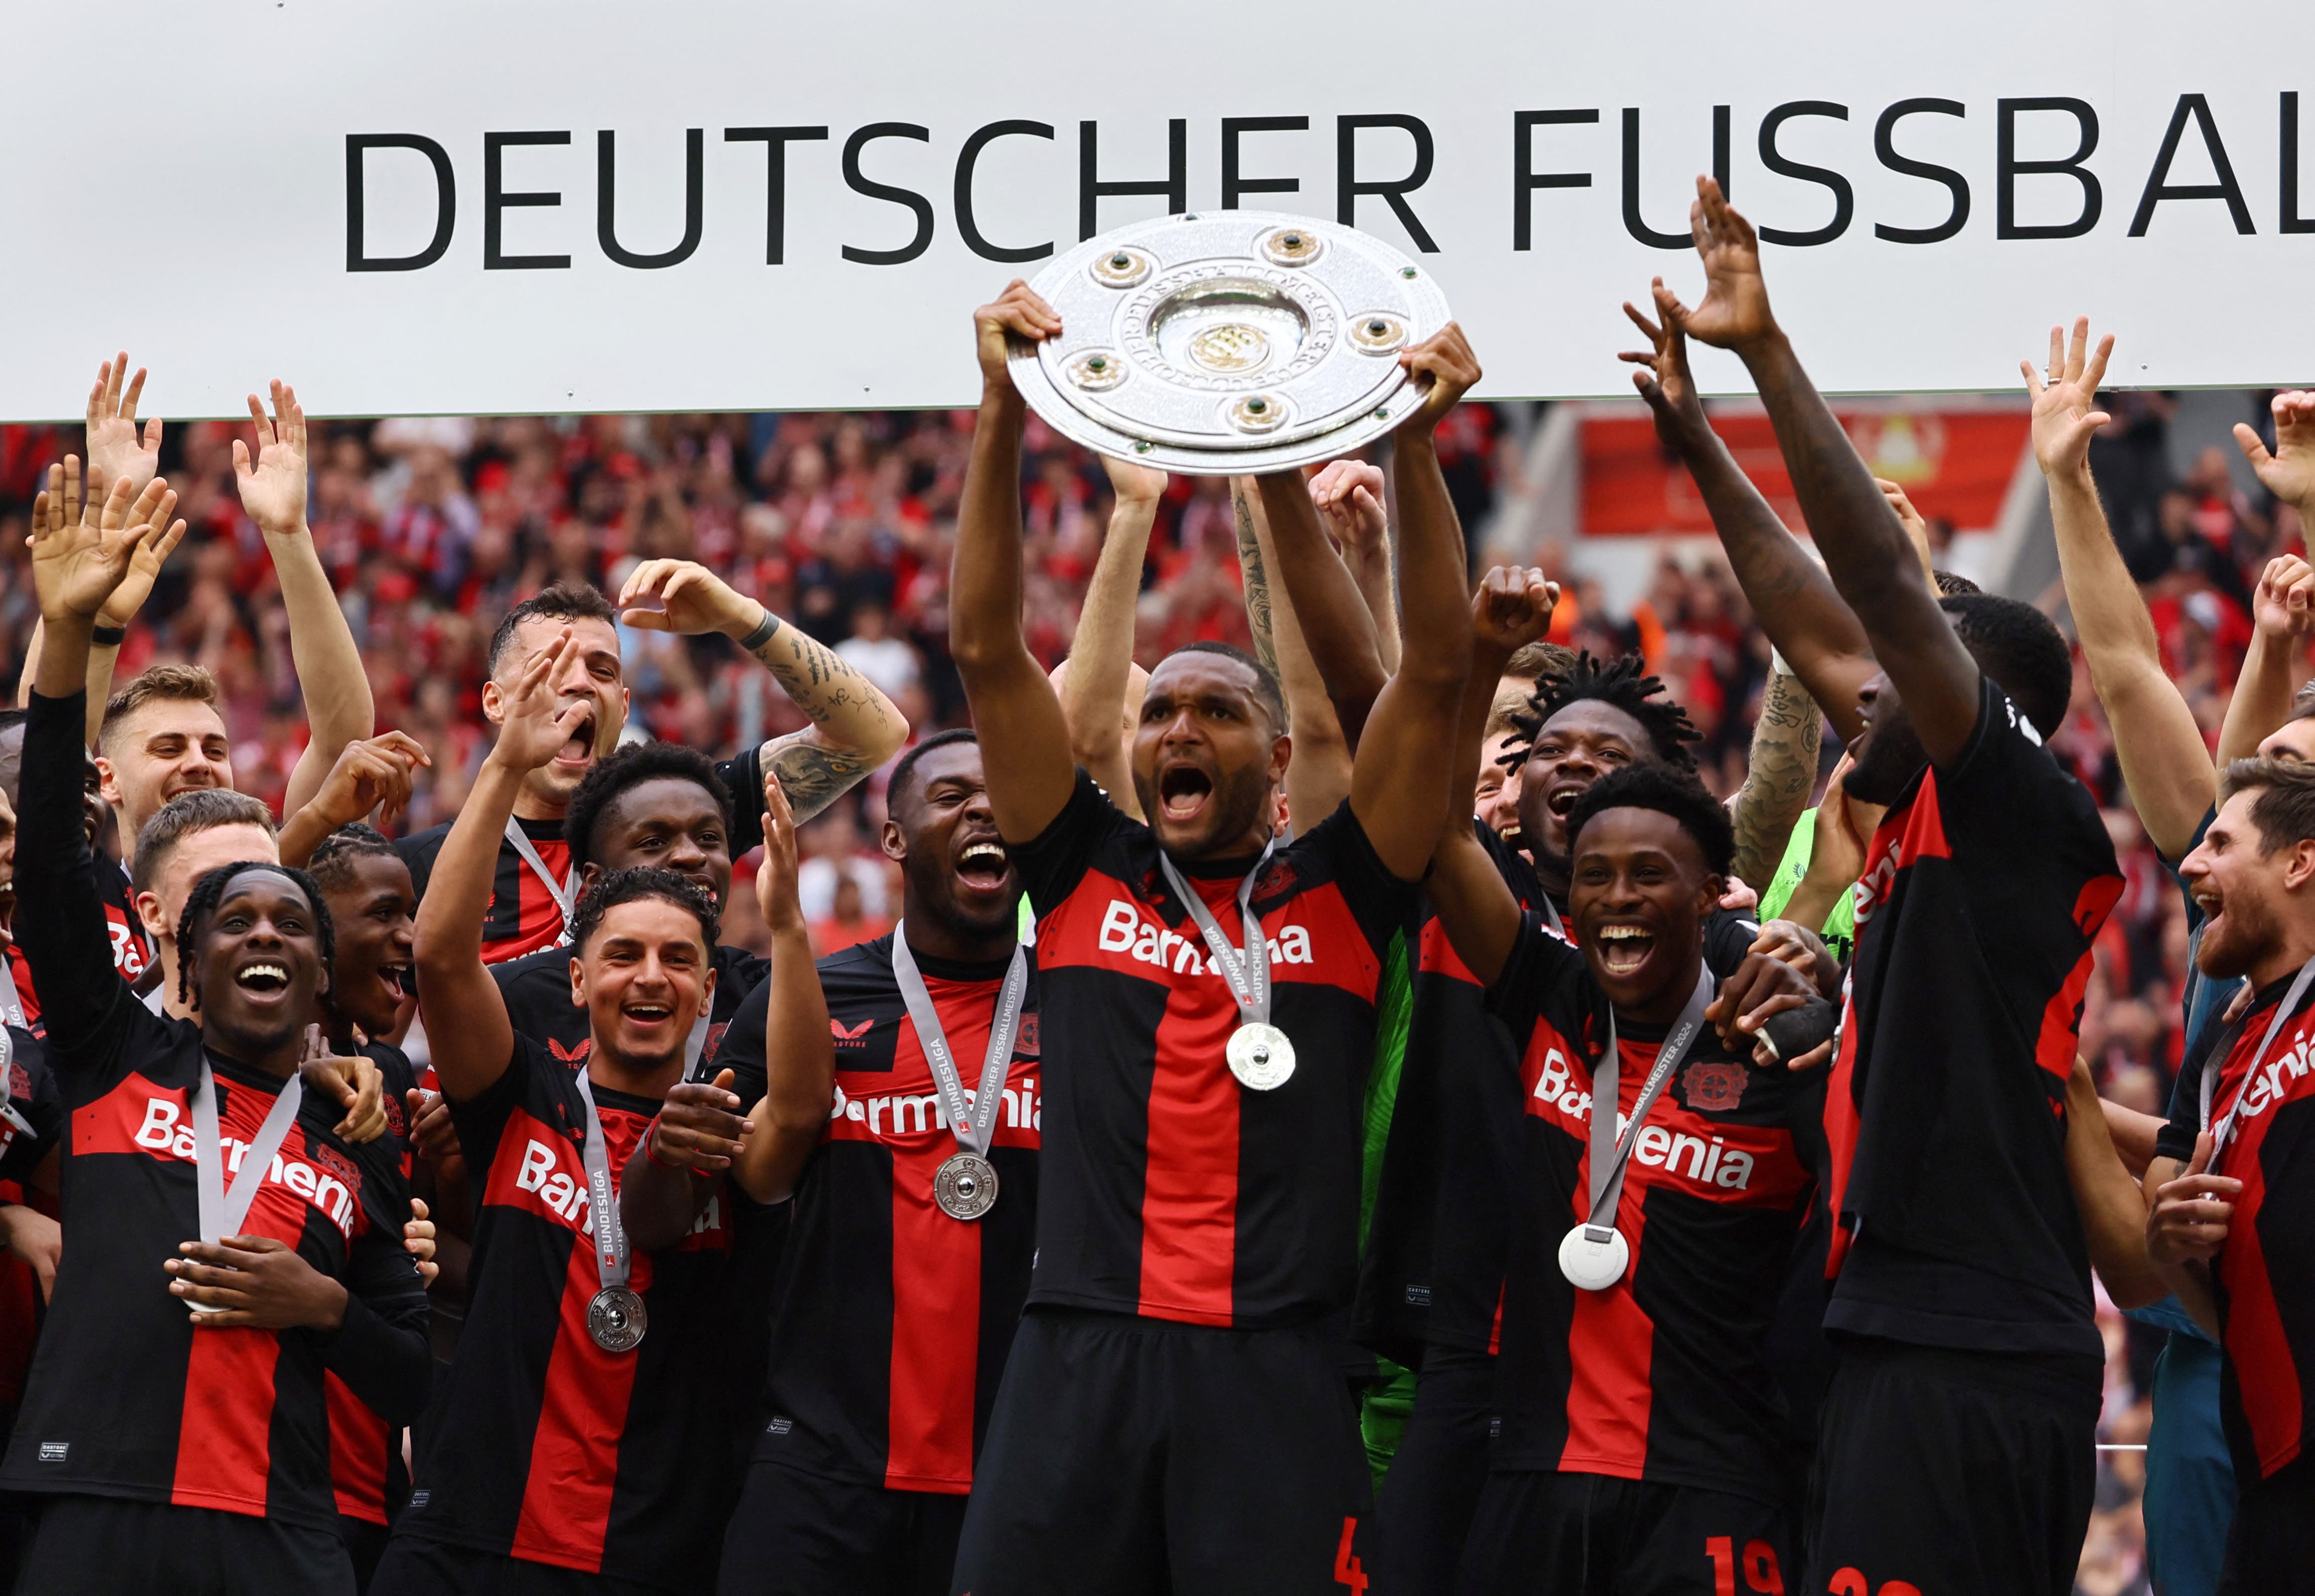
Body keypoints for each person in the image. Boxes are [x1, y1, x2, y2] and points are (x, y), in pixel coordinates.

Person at [943, 279, 1480, 1595]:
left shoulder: (1347, 889)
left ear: (1281, 753)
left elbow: (1429, 679)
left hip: (1278, 1364)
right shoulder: (1074, 868)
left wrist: (1407, 444)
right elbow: (982, 644)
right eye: (1161, 711)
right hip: (1080, 1351)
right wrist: (999, 410)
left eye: (1217, 711)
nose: (1179, 728)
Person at [1648, 177, 2122, 1593]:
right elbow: (1803, 606)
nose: (1853, 679)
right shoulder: (1921, 801)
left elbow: (1864, 581)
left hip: (1967, 1347)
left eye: (1895, 662)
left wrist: (1764, 358)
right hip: (1906, 1331)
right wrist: (1691, 441)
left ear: (1966, 686)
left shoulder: (2011, 804)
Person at [3, 458, 430, 1595]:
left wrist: (325, 1304)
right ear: (168, 939)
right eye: (227, 913)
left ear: (323, 962)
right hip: (92, 1499)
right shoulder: (110, 1049)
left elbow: (426, 1376)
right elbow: (46, 848)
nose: (263, 934)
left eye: (289, 920)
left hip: (285, 1527)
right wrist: (66, 633)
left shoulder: (354, 1117)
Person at [372, 626, 773, 1595]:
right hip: (475, 1523)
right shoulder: (521, 1091)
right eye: (625, 956)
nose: (651, 977)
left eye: (680, 960)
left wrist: (793, 927)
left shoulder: (736, 1122)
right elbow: (438, 956)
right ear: (577, 974)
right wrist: (507, 760)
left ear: (712, 982)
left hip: (663, 1536)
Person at [699, 730, 1040, 1596]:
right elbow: (744, 1188)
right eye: (953, 797)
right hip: (820, 1463)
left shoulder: (1088, 1002)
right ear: (894, 840)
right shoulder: (808, 999)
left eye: (1000, 798)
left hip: (1021, 1467)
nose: (983, 812)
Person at [396, 563, 907, 966]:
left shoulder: (680, 823)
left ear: (621, 706)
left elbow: (873, 737)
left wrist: (742, 618)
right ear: (493, 703)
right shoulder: (423, 867)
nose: (579, 685)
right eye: (549, 667)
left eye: (600, 670)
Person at [2151, 755, 2315, 1593]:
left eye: (2219, 841)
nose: (2189, 863)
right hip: (2270, 1484)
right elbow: (2218, 1306)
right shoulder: (2224, 1044)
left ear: (2298, 861)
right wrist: (2175, 1249)